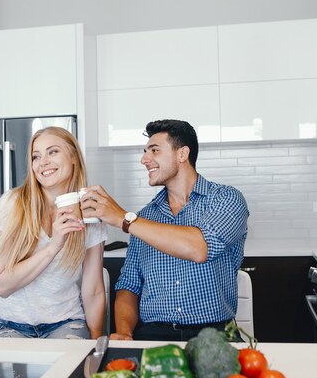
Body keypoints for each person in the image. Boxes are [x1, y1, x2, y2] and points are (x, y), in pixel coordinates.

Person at [80, 119, 249, 341]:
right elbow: (129, 285)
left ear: (182, 154)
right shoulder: (145, 217)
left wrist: (123, 218)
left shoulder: (226, 199)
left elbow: (200, 247)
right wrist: (124, 332)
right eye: (144, 151)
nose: (144, 159)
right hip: (152, 334)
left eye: (154, 150)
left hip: (214, 334)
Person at [0, 126, 106, 339]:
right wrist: (53, 246)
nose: (43, 162)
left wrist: (95, 345)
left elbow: (93, 289)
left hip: (66, 323)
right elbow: (2, 286)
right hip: (8, 325)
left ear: (74, 157)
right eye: (36, 156)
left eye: (53, 152)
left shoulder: (89, 213)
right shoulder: (12, 204)